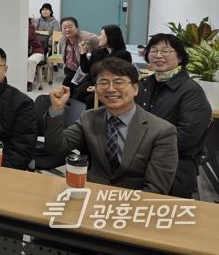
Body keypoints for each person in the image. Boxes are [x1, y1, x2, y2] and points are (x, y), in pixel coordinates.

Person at [45, 58, 178, 194]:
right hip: (91, 195)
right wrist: (57, 109)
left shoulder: (162, 131)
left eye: (119, 82)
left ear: (135, 89)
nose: (110, 89)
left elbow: (155, 189)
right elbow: (56, 147)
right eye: (103, 82)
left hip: (133, 201)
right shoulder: (89, 117)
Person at [136, 33, 212, 198]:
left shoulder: (191, 91)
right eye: (153, 50)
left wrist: (140, 147)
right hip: (138, 160)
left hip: (174, 167)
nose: (158, 55)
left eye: (166, 51)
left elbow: (187, 136)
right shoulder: (144, 84)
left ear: (180, 57)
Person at [71, 24, 131, 105]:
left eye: (101, 35)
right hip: (93, 81)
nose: (99, 38)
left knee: (89, 99)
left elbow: (122, 77)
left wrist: (99, 87)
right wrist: (83, 52)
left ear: (110, 37)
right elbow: (85, 70)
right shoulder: (98, 52)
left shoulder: (123, 55)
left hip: (110, 85)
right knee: (77, 93)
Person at [58, 17, 99, 88]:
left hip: (84, 71)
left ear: (77, 28)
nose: (67, 30)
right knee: (65, 87)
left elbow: (101, 43)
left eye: (70, 27)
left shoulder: (87, 37)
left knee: (75, 89)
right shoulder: (63, 39)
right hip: (70, 70)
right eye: (64, 28)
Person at [27, 17, 45, 92]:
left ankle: (28, 82)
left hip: (37, 51)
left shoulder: (29, 30)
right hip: (26, 52)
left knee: (30, 61)